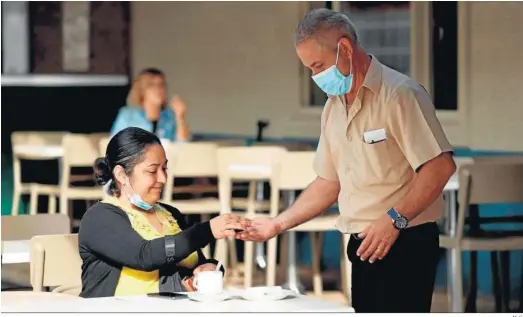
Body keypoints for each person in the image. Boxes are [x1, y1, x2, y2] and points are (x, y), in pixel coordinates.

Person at [238, 8, 456, 313]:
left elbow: (440, 166)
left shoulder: (399, 95)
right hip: (362, 243)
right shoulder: (333, 108)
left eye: (318, 65)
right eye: (309, 69)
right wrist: (277, 223)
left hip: (405, 239)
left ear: (344, 48)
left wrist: (394, 219)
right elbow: (329, 181)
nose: (315, 76)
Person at [79, 127, 248, 298]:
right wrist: (208, 231)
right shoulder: (99, 218)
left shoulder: (170, 214)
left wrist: (207, 268)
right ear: (121, 175)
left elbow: (192, 260)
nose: (163, 178)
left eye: (164, 169)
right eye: (152, 171)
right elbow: (145, 256)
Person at [111, 68, 190, 142]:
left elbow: (183, 144)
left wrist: (180, 117)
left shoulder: (170, 116)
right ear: (141, 89)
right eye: (152, 85)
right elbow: (115, 144)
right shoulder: (127, 115)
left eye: (161, 84)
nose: (159, 89)